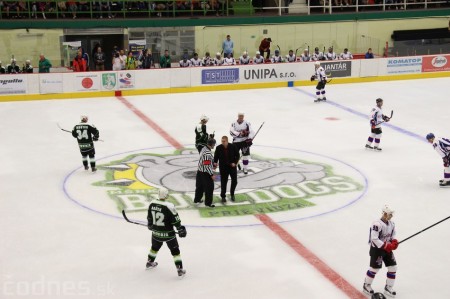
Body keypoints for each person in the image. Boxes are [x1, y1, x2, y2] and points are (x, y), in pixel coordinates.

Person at [146, 187, 187, 277]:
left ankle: (149, 262)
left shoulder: (152, 203)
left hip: (156, 233)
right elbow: (175, 221)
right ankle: (179, 269)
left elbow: (149, 217)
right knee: (175, 251)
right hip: (169, 234)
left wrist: (150, 224)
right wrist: (180, 229)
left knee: (154, 248)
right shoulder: (169, 206)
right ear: (166, 195)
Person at [363, 205, 399, 298]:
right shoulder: (377, 224)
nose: (391, 216)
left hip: (387, 249)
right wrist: (386, 245)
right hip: (377, 249)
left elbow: (393, 235)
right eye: (389, 214)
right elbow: (374, 238)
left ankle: (388, 287)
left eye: (391, 214)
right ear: (384, 213)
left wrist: (394, 241)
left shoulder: (392, 224)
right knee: (375, 268)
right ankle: (366, 285)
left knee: (393, 267)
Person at [214, 136, 240, 203]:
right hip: (223, 168)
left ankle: (232, 194)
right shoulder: (218, 148)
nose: (222, 142)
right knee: (223, 182)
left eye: (224, 141)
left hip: (232, 167)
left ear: (227, 141)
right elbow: (215, 157)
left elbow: (237, 155)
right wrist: (215, 164)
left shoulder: (233, 146)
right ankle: (223, 196)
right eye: (222, 141)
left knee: (234, 181)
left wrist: (235, 162)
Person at [193, 138, 217, 207]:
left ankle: (197, 199)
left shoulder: (204, 148)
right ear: (212, 144)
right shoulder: (207, 153)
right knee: (209, 187)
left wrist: (212, 164)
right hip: (205, 173)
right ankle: (208, 203)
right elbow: (206, 166)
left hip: (200, 171)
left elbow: (205, 162)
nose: (214, 145)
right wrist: (211, 174)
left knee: (200, 187)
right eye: (214, 144)